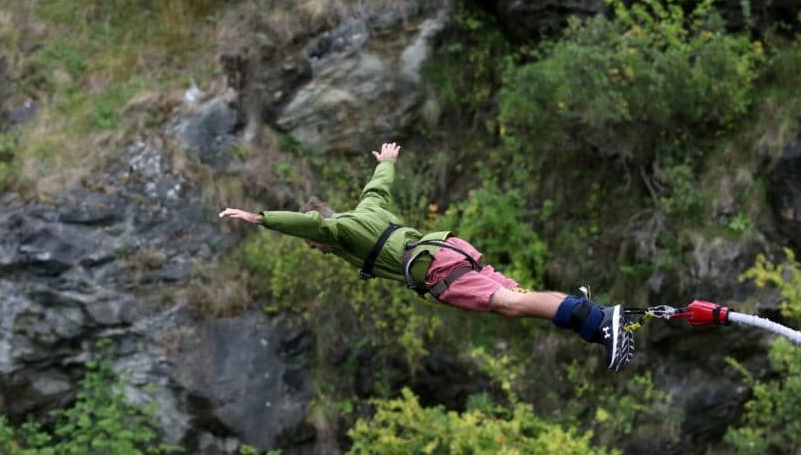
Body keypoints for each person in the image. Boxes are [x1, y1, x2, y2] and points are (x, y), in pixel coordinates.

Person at [219, 142, 635, 369]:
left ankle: (597, 317)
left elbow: (315, 227)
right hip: (449, 249)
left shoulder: (341, 230)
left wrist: (260, 218)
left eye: (313, 244)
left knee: (512, 303)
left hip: (436, 270)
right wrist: (386, 162)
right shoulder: (366, 210)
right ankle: (596, 324)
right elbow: (378, 187)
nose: (316, 248)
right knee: (515, 302)